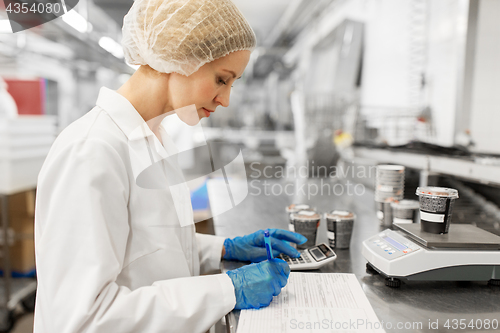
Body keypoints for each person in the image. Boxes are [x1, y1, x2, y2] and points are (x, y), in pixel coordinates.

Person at [33, 0, 307, 332]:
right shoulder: (91, 152)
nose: (226, 99)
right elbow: (83, 319)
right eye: (222, 79)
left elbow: (149, 246)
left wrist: (223, 248)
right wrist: (227, 289)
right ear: (179, 56)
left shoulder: (155, 137)